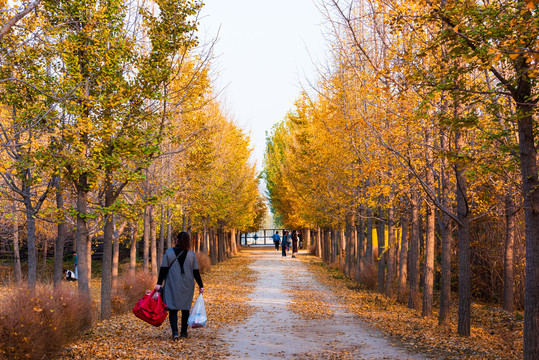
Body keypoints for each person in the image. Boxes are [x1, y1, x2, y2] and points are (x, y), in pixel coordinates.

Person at [154, 231, 204, 340]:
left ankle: (175, 332)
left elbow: (163, 269)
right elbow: (196, 271)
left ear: (177, 240)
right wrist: (201, 285)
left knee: (173, 308)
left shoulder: (169, 253)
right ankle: (184, 332)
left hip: (172, 284)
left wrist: (159, 283)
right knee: (185, 309)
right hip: (187, 285)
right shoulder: (191, 255)